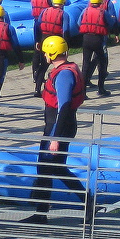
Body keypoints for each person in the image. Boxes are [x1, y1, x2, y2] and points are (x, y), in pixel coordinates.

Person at [22, 37, 88, 225]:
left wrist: (55, 138)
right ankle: (86, 202)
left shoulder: (64, 75)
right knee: (54, 168)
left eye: (45, 52)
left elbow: (65, 105)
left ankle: (42, 213)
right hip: (56, 127)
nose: (43, 55)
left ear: (51, 54)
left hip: (58, 128)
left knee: (47, 168)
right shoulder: (64, 70)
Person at [78, 0, 117, 98]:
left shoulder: (85, 10)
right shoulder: (103, 12)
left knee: (85, 64)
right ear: (100, 1)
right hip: (98, 39)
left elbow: (79, 23)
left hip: (86, 39)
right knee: (102, 63)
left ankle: (83, 92)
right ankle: (101, 89)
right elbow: (111, 22)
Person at [31, 0, 67, 97]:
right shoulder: (64, 14)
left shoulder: (44, 12)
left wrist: (37, 41)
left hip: (44, 39)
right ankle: (57, 86)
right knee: (60, 64)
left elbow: (37, 26)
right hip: (56, 40)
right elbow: (66, 31)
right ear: (63, 2)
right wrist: (66, 45)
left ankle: (37, 89)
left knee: (43, 65)